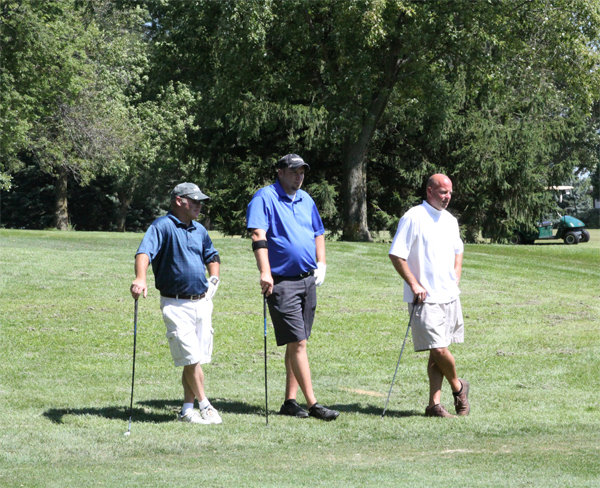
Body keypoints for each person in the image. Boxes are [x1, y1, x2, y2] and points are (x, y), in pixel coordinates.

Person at [246, 154, 339, 421]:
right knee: (297, 342)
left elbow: (318, 232)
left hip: (307, 280)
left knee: (297, 342)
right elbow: (258, 234)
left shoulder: (306, 198)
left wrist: (321, 263)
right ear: (280, 172)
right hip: (281, 281)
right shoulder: (264, 197)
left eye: (302, 172)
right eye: (294, 171)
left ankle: (290, 401)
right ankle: (313, 404)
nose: (299, 176)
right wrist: (265, 272)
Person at [130, 182, 223, 425]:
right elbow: (144, 253)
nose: (199, 206)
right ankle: (205, 405)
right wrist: (141, 278)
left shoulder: (199, 230)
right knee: (191, 357)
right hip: (176, 303)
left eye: (200, 201)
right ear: (179, 201)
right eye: (194, 201)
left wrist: (214, 278)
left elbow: (212, 256)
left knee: (194, 359)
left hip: (202, 302)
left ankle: (186, 409)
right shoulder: (162, 226)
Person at [388, 174, 470, 418]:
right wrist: (414, 284)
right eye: (443, 192)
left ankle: (434, 405)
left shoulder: (450, 220)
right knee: (437, 348)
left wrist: (456, 274)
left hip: (449, 296)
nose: (448, 198)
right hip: (424, 298)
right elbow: (396, 254)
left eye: (450, 193)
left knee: (438, 351)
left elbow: (459, 249)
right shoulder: (414, 217)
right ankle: (459, 387)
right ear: (429, 191)